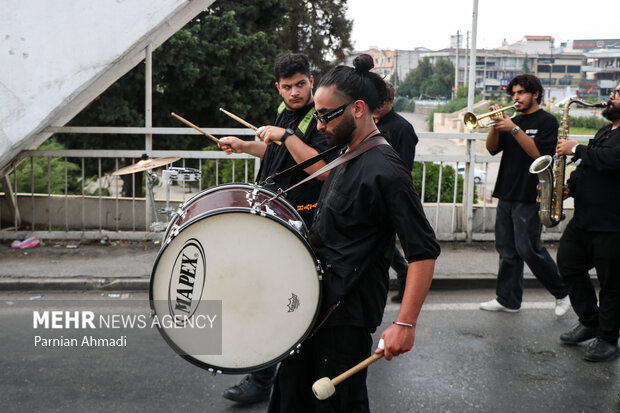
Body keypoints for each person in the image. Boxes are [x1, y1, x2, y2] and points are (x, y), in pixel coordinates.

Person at [267, 54, 440, 412]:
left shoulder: (387, 171)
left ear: (358, 109)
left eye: (326, 115)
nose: (318, 125)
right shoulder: (346, 153)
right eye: (316, 115)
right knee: (290, 399)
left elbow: (422, 251)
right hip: (317, 304)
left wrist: (405, 323)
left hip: (346, 316)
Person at [217, 53, 335, 404]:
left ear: (311, 80)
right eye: (287, 87)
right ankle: (265, 375)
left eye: (301, 84)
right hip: (274, 211)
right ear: (278, 87)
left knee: (284, 298)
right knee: (266, 293)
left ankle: (267, 377)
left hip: (302, 215)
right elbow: (277, 157)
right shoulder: (286, 113)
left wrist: (284, 135)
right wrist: (244, 146)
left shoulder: (320, 116)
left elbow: (321, 167)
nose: (295, 92)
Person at [480, 74, 570, 316]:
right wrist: (494, 123)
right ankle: (508, 299)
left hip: (531, 194)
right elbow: (491, 148)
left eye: (521, 93)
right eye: (514, 94)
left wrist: (514, 128)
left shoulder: (547, 121)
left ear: (536, 94)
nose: (516, 98)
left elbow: (539, 154)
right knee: (506, 249)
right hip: (507, 191)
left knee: (528, 248)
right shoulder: (514, 119)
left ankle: (562, 292)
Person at [555, 84, 620, 362]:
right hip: (585, 219)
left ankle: (607, 338)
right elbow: (589, 165)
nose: (611, 97)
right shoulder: (607, 130)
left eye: (618, 94)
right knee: (568, 264)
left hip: (613, 224)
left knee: (612, 284)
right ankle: (589, 320)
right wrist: (568, 187)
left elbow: (609, 161)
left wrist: (577, 148)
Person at [373, 82, 419, 303]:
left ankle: (404, 275)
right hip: (373, 192)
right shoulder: (372, 122)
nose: (376, 106)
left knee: (384, 241)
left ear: (391, 102)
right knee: (382, 241)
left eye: (381, 102)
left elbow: (404, 166)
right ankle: (403, 273)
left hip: (390, 194)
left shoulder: (402, 128)